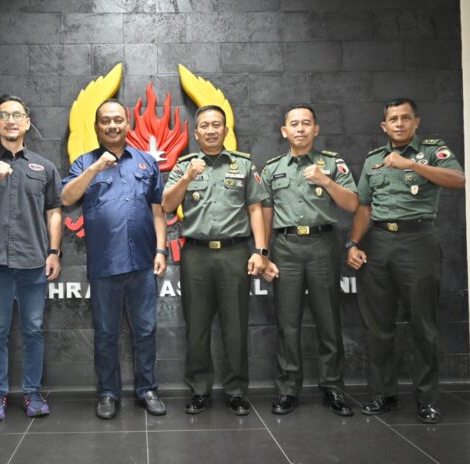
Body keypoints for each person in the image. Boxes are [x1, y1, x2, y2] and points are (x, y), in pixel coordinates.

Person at [347, 98, 465, 424]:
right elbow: (364, 207)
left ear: (416, 122)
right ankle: (383, 394)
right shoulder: (373, 160)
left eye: (405, 118)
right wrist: (353, 243)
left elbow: (458, 179)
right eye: (393, 119)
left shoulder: (432, 150)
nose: (399, 124)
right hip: (379, 242)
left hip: (418, 240)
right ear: (384, 126)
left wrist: (412, 165)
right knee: (377, 327)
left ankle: (427, 399)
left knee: (422, 325)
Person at [62, 99, 168, 420]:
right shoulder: (84, 162)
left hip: (142, 263)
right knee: (106, 333)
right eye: (105, 121)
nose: (112, 125)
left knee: (146, 330)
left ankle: (147, 390)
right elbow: (67, 197)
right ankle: (108, 393)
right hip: (105, 265)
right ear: (97, 127)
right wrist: (95, 168)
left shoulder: (146, 162)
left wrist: (161, 250)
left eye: (118, 120)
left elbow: (158, 211)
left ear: (128, 124)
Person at [0, 95, 62, 421]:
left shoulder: (44, 167)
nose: (10, 120)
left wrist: (54, 252)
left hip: (33, 261)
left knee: (33, 329)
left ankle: (33, 393)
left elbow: (54, 212)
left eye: (17, 115)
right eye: (4, 115)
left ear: (27, 122)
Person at [162, 105, 267, 416]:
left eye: (216, 125)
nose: (210, 130)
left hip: (235, 253)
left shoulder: (243, 165)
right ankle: (199, 390)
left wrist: (261, 250)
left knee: (235, 327)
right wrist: (187, 178)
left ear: (225, 130)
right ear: (196, 133)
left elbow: (255, 209)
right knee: (197, 327)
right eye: (205, 126)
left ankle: (236, 391)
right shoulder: (184, 166)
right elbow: (167, 205)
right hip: (196, 254)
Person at [261, 105, 357, 417]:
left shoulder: (332, 163)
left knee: (328, 320)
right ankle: (288, 389)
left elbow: (352, 203)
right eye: (294, 124)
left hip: (322, 245)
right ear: (284, 131)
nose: (300, 129)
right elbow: (265, 214)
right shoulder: (273, 168)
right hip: (285, 246)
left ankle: (333, 387)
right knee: (287, 323)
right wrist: (264, 253)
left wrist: (326, 181)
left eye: (306, 123)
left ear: (316, 129)